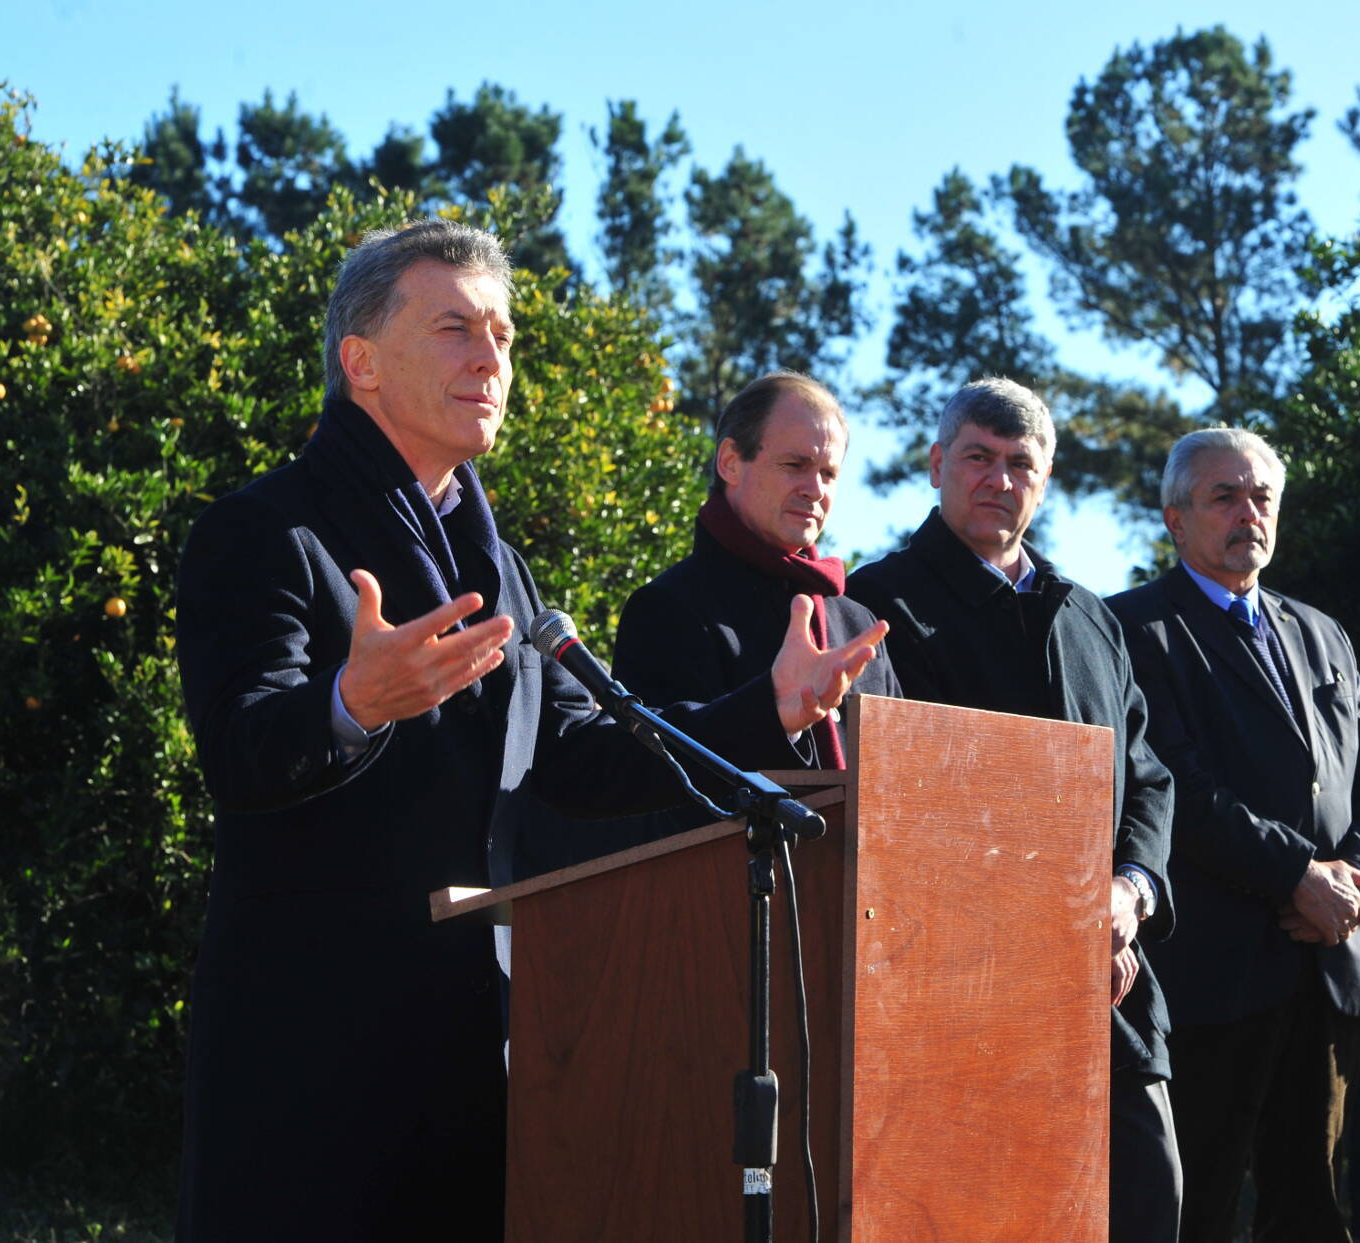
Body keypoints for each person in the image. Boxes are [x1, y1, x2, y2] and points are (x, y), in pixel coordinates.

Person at [171, 221, 884, 1240]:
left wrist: (764, 712)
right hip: (312, 1039)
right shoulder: (265, 531)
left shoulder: (493, 559)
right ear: (360, 363)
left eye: (502, 335)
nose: (490, 358)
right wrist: (350, 702)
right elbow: (241, 754)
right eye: (455, 328)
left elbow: (581, 750)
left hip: (468, 1031)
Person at [847, 379, 1182, 1242]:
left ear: (1046, 479)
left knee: (1150, 1194)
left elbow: (1144, 775)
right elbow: (901, 797)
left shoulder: (1089, 615)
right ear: (936, 465)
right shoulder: (876, 604)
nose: (999, 480)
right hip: (959, 993)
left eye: (1021, 464)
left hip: (1108, 982)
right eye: (979, 459)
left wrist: (1129, 891)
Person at [1103, 427, 1360, 1243]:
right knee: (1194, 1206)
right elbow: (1176, 787)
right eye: (1223, 496)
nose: (1248, 512)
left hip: (1331, 963)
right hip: (1217, 972)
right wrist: (1297, 875)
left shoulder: (1323, 631)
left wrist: (1353, 883)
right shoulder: (1133, 629)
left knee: (1311, 1210)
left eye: (1261, 495)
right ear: (1175, 517)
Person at [613, 371, 899, 776]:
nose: (815, 489)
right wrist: (776, 715)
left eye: (828, 473)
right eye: (795, 464)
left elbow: (901, 780)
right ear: (730, 462)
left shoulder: (857, 624)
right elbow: (650, 781)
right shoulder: (666, 608)